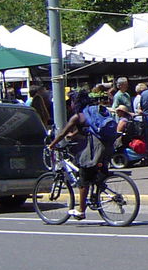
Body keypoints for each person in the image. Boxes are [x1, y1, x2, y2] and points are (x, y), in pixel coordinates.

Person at [47, 90, 120, 220]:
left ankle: (81, 210)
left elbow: (62, 133)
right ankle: (96, 193)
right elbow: (89, 127)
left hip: (96, 147)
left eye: (71, 102)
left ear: (76, 102)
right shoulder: (93, 111)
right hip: (108, 145)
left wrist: (52, 145)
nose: (71, 104)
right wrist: (73, 135)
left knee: (83, 174)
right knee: (96, 173)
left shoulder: (77, 116)